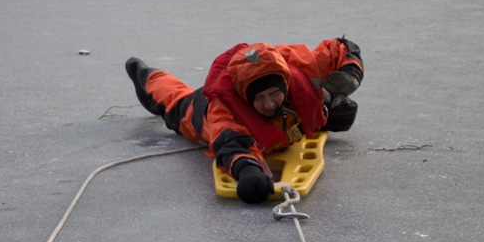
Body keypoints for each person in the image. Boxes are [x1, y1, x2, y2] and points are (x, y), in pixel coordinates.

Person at [125, 37, 364, 204]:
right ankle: (147, 76)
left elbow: (344, 49)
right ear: (246, 96)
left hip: (287, 120)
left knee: (344, 114)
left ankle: (318, 112)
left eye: (274, 93)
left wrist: (341, 83)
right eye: (260, 98)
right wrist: (247, 171)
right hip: (200, 109)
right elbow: (230, 146)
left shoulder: (299, 63)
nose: (269, 103)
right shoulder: (224, 111)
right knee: (175, 101)